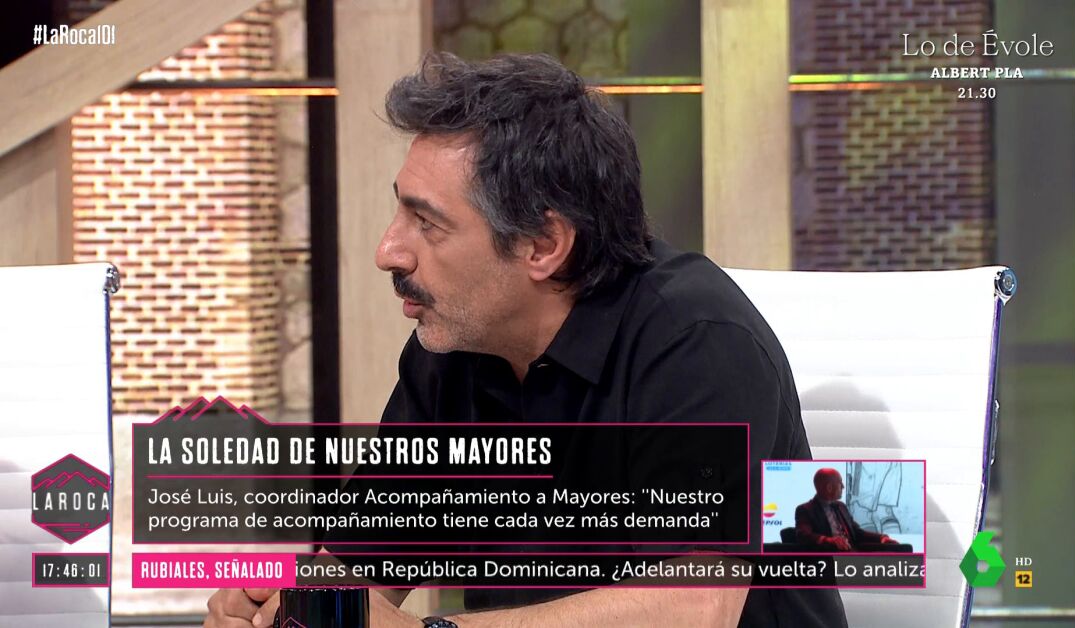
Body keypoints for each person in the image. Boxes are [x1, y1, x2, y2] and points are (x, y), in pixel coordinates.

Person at [205, 51, 847, 628]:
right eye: (400, 209)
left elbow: (694, 607)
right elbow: (364, 569)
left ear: (543, 245)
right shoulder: (452, 347)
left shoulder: (698, 343)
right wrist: (286, 608)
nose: (387, 250)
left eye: (427, 223)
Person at [794, 468, 898, 551]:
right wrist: (829, 540)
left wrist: (881, 538)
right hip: (830, 558)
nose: (843, 487)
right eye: (840, 483)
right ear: (829, 488)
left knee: (897, 551)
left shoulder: (841, 506)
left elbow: (857, 532)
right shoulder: (806, 509)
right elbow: (803, 535)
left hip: (852, 552)